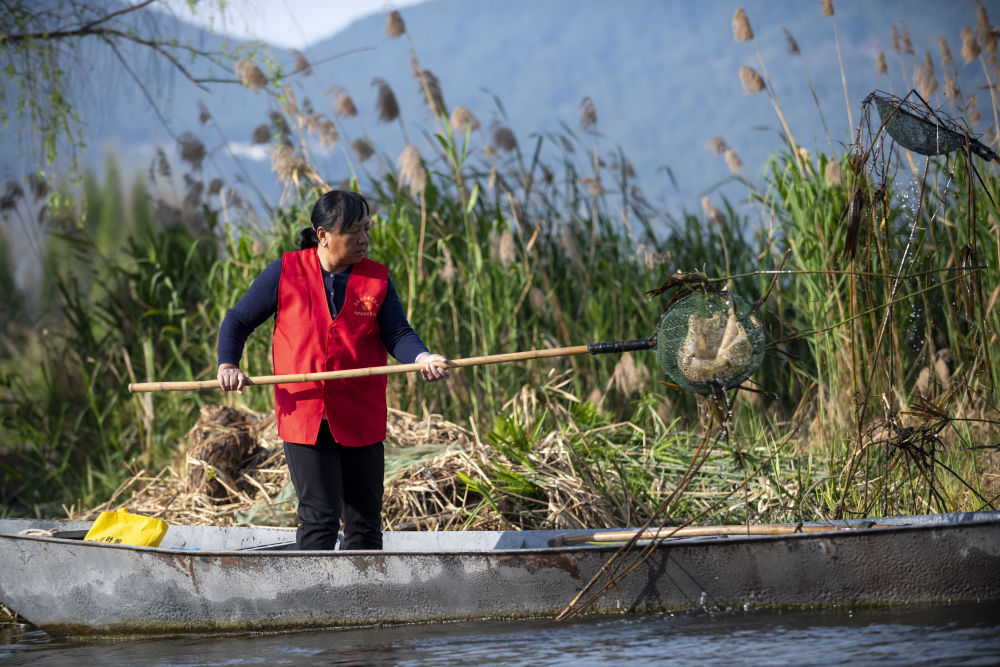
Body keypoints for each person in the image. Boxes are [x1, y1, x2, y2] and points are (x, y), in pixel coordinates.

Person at [216, 190, 450, 551]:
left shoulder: (376, 280)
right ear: (323, 234)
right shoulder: (286, 271)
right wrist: (229, 364)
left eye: (367, 230)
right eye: (353, 231)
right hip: (305, 414)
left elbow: (398, 333)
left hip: (360, 414)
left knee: (365, 524)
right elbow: (237, 320)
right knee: (320, 518)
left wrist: (421, 358)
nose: (364, 239)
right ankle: (313, 603)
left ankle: (364, 601)